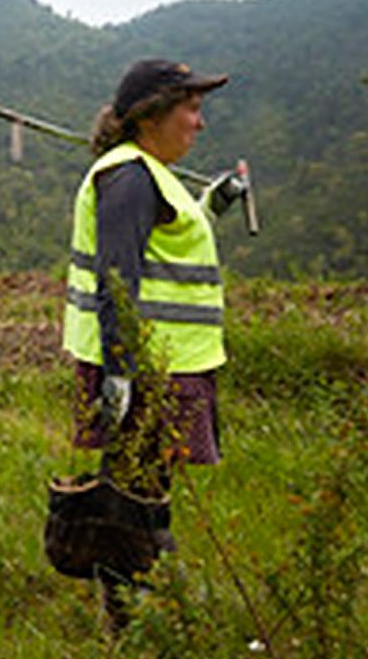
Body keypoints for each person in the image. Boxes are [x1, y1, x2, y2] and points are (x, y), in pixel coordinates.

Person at [61, 58, 243, 627]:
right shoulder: (129, 177)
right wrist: (120, 371)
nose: (199, 123)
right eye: (190, 108)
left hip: (168, 366)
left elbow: (167, 233)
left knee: (145, 488)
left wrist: (215, 201)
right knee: (133, 496)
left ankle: (138, 603)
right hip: (146, 371)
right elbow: (119, 276)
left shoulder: (148, 174)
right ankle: (129, 614)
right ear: (151, 117)